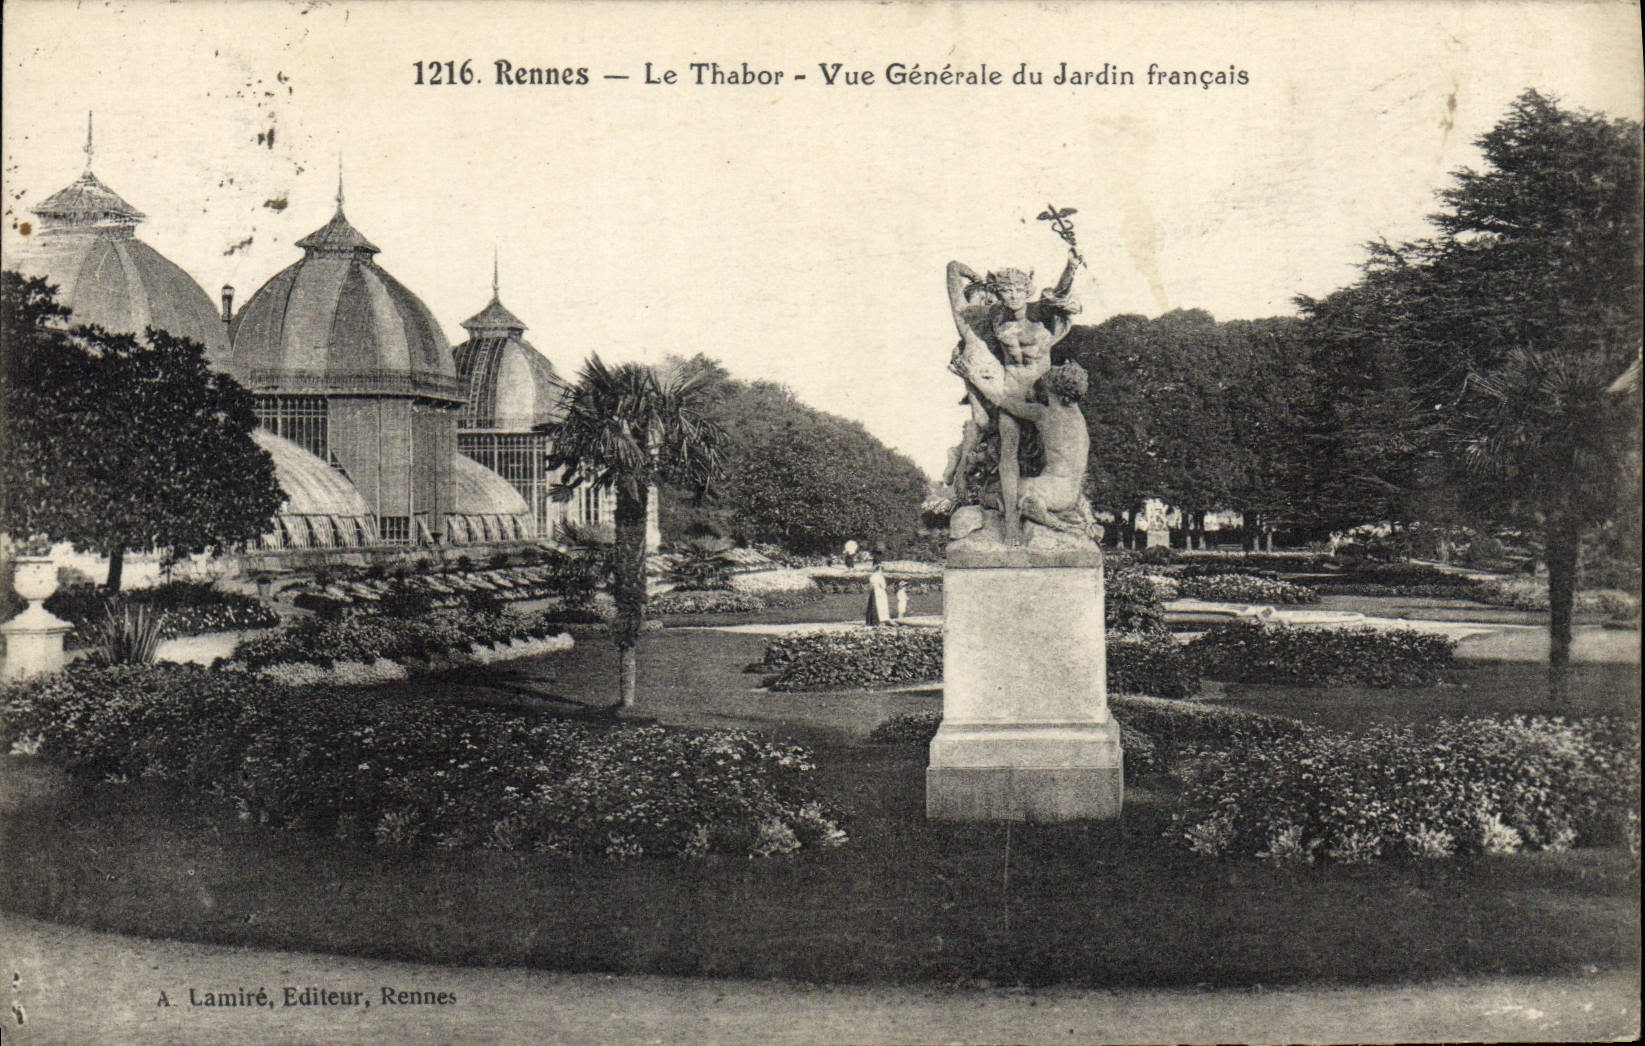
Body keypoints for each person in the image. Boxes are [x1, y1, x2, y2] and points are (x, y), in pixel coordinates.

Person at [945, 250, 1081, 545]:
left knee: (1056, 454)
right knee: (1008, 452)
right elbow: (957, 305)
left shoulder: (1040, 314)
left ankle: (1061, 508)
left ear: (1027, 291)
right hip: (1012, 388)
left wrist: (1070, 265)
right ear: (998, 294)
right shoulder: (994, 317)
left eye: (1018, 291)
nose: (1012, 297)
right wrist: (962, 272)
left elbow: (1061, 292)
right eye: (1005, 291)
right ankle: (1010, 524)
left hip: (1042, 392)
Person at [953, 359, 1096, 536]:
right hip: (1072, 496)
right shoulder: (1079, 419)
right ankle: (1078, 519)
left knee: (989, 492)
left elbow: (1002, 401)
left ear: (1053, 390)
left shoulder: (1044, 413)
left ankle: (1055, 523)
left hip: (1050, 492)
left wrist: (972, 377)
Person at [864, 557, 890, 626]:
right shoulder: (880, 576)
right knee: (881, 606)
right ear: (880, 569)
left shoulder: (872, 576)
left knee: (873, 605)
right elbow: (883, 586)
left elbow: (871, 585)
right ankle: (881, 620)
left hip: (874, 591)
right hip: (880, 592)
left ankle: (871, 620)